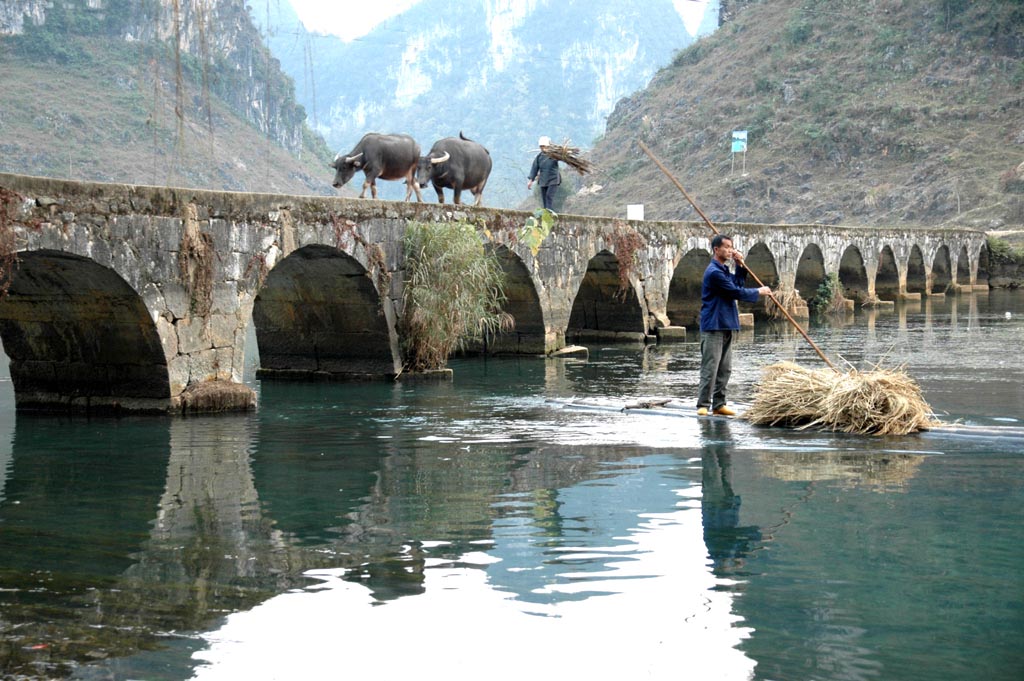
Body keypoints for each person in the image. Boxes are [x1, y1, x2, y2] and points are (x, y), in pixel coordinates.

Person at [696, 234, 771, 416]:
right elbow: (735, 291)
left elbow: (736, 282)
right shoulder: (714, 272)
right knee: (710, 367)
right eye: (727, 247)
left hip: (726, 323)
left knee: (725, 368)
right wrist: (759, 291)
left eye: (731, 247)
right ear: (716, 250)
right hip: (713, 324)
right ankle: (703, 405)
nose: (731, 250)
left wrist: (739, 266)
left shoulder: (722, 270)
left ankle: (719, 404)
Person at [527, 136, 561, 210]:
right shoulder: (539, 157)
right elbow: (534, 168)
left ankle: (549, 212)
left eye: (544, 146)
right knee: (544, 198)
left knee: (549, 196)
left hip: (553, 179)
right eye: (541, 147)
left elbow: (562, 157)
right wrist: (530, 180)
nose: (543, 148)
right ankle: (546, 213)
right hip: (543, 180)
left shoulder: (554, 155)